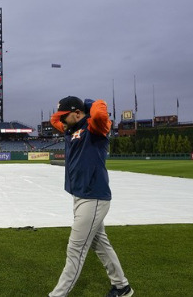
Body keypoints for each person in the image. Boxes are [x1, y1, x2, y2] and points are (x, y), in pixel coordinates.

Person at [48, 96, 133, 297]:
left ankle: (57, 295)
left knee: (75, 250)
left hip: (93, 197)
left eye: (65, 116)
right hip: (81, 195)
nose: (61, 120)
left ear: (78, 113)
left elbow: (101, 112)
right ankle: (122, 287)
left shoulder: (95, 127)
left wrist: (90, 104)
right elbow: (54, 119)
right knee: (101, 245)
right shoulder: (71, 128)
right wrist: (68, 110)